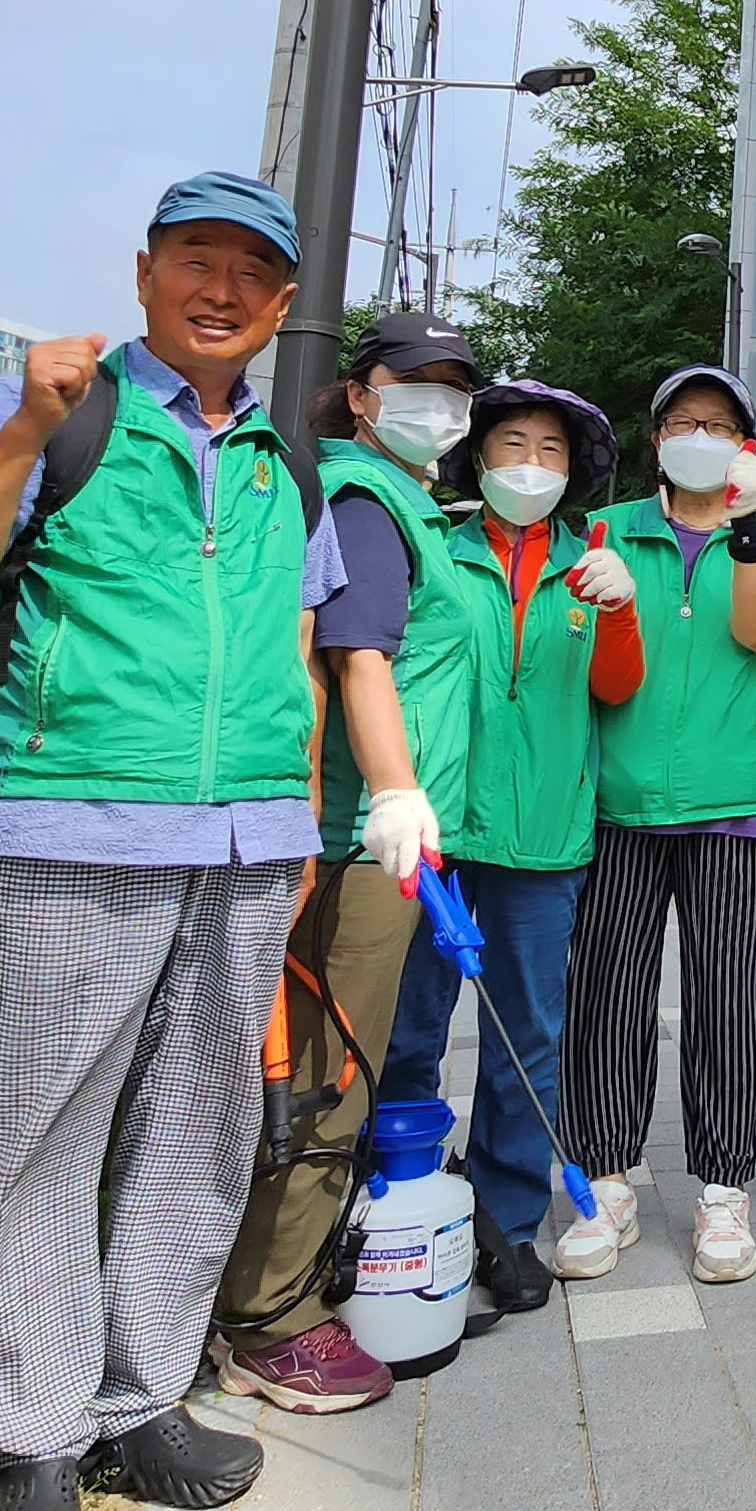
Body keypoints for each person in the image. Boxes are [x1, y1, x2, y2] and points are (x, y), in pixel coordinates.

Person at [0, 173, 343, 1511]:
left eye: (251, 273)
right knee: (42, 1132)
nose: (222, 290)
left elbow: (303, 651)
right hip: (66, 830)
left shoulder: (287, 459)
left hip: (245, 844)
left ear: (278, 304)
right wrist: (24, 422)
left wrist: (302, 818)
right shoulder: (60, 410)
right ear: (147, 271)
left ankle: (137, 1397)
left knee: (199, 1130)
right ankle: (25, 1434)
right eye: (196, 261)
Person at [203, 311, 482, 1418]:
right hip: (364, 835)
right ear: (360, 394)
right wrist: (397, 794)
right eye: (416, 382)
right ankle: (267, 1314)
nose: (442, 405)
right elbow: (358, 657)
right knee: (329, 1066)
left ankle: (275, 1277)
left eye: (457, 388)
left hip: (395, 832)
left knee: (333, 1063)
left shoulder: (410, 503)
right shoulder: (366, 505)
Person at [373, 380, 641, 1317]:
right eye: (513, 444)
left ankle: (503, 1219)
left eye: (551, 451)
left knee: (524, 1035)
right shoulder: (431, 546)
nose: (531, 464)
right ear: (477, 458)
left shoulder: (591, 564)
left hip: (543, 836)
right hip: (435, 828)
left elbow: (616, 688)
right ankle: (392, 1199)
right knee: (408, 1023)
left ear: (574, 472)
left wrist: (621, 610)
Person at [552, 364, 756, 1286]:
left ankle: (724, 1188)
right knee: (607, 996)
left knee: (727, 1003)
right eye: (683, 420)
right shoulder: (604, 530)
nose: (700, 434)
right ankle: (605, 1183)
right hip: (617, 806)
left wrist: (742, 526)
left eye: (720, 423)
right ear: (657, 438)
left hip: (735, 810)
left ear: (745, 444)